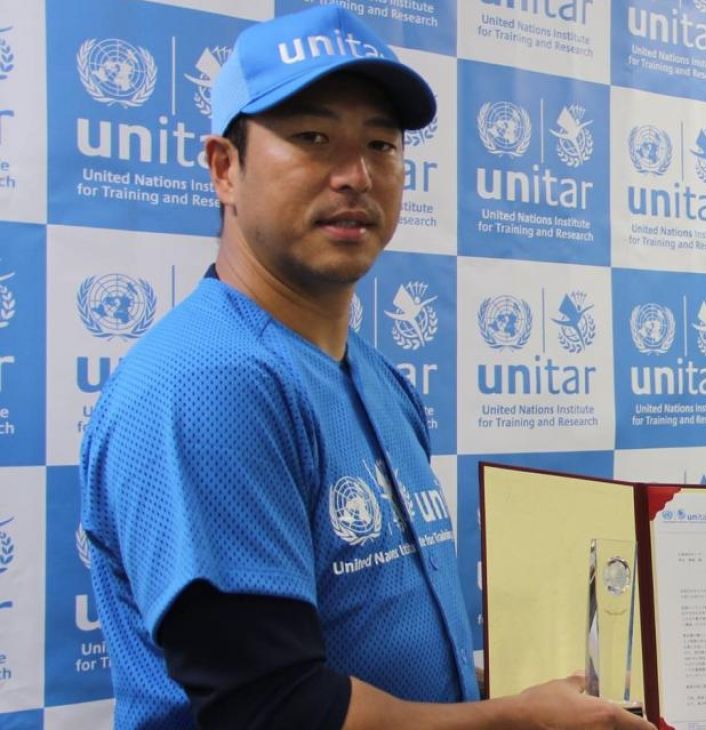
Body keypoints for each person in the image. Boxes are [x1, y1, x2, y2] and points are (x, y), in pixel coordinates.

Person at [79, 7, 654, 730]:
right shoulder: (209, 380)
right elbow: (276, 708)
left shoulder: (374, 376)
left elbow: (393, 659)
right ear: (225, 167)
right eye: (312, 138)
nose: (356, 175)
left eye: (381, 145)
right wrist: (517, 720)